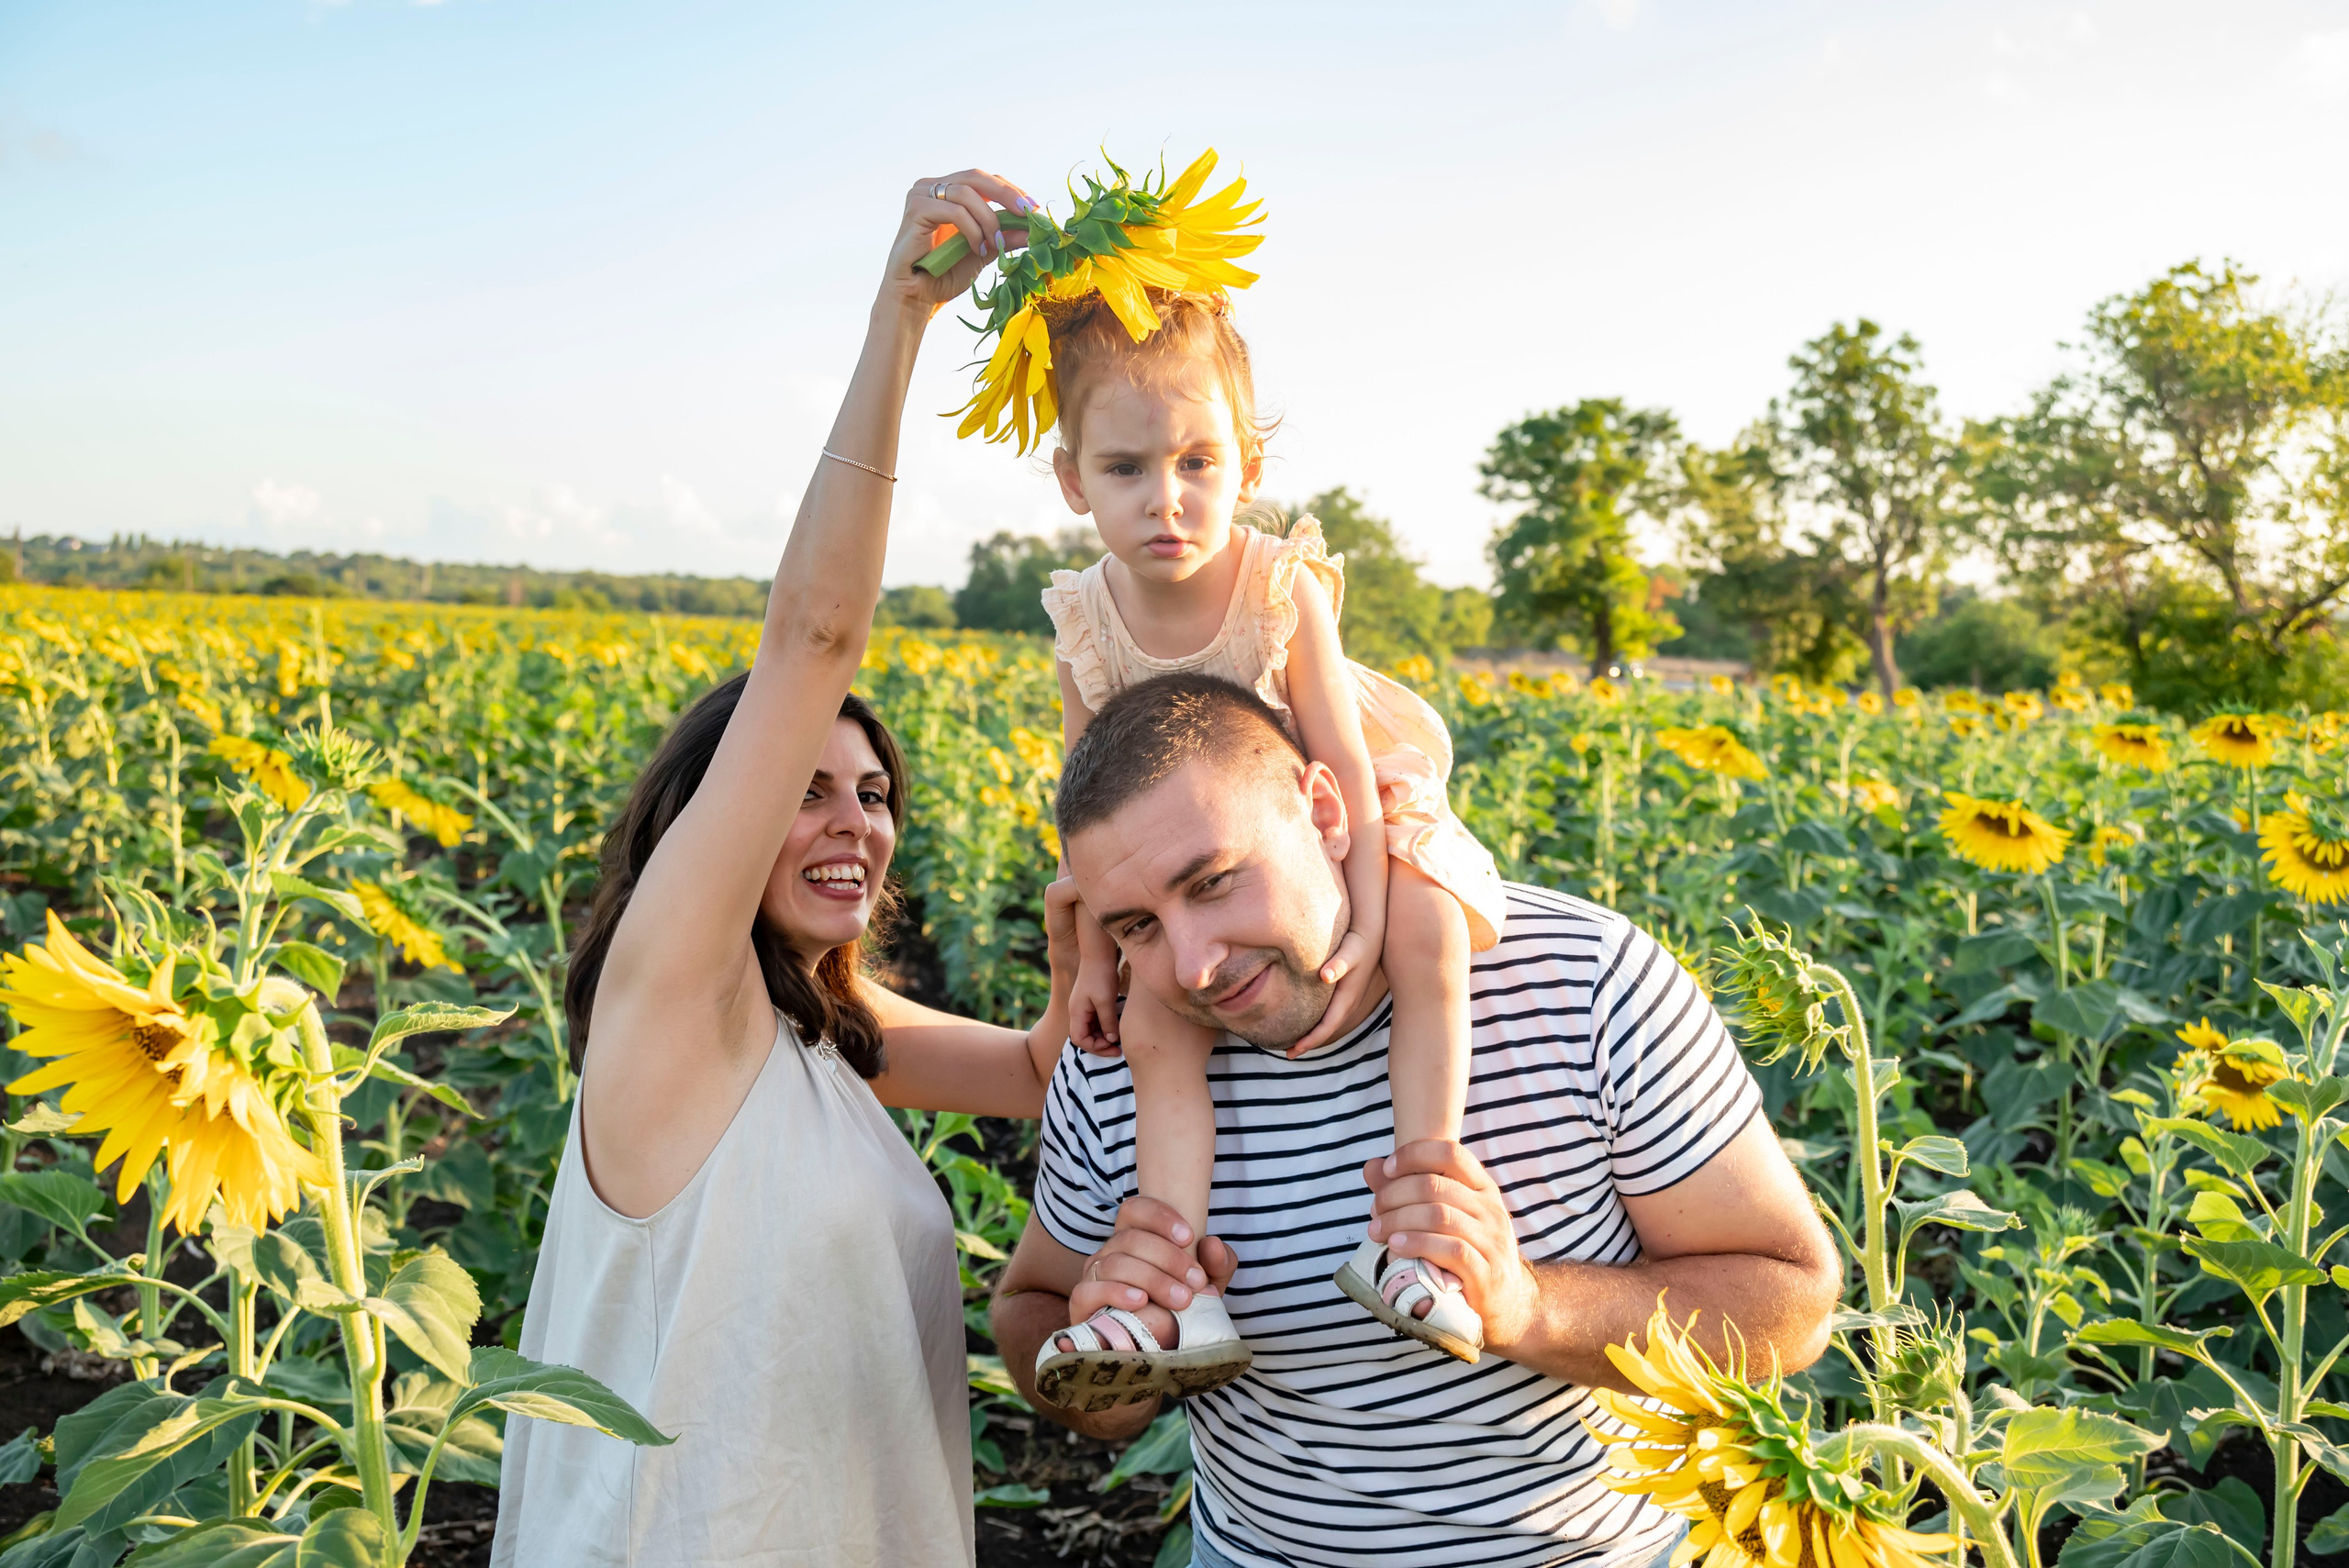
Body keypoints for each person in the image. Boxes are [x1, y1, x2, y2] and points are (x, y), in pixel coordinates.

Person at [492, 167, 1070, 1568]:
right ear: (712, 825)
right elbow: (814, 633)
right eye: (803, 791)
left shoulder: (833, 1045)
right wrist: (902, 318)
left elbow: (1052, 1072)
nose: (853, 824)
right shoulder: (676, 1003)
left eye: (874, 797)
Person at [992, 673, 1841, 1568]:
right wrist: (1117, 1377)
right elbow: (1028, 1308)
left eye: (1212, 883)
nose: (1193, 966)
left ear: (1324, 808)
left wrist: (1528, 1306)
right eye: (1137, 927)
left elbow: (1791, 1300)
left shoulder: (1585, 984)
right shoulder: (1123, 1060)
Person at [938, 151, 1508, 1398]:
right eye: (1128, 470)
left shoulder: (1278, 581)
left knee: (1426, 939)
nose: (1168, 498)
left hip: (1337, 814)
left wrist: (1356, 913)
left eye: (1199, 462)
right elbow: (1091, 813)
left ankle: (1425, 1223)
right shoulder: (1085, 615)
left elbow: (1346, 770)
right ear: (1073, 479)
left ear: (1246, 459)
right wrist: (1099, 956)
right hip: (1189, 863)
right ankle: (1173, 1279)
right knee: (1155, 1027)